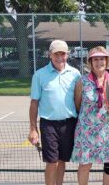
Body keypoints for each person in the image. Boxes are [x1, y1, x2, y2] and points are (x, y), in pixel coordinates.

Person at [28, 40, 81, 185]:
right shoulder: (39, 75)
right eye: (56, 54)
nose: (59, 57)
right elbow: (34, 103)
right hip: (48, 125)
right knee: (52, 162)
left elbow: (79, 101)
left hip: (69, 124)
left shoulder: (75, 74)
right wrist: (33, 129)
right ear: (49, 55)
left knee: (62, 161)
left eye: (62, 54)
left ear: (67, 55)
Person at [71, 46, 109, 185]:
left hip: (107, 130)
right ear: (90, 62)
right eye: (95, 59)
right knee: (85, 165)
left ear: (107, 61)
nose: (99, 62)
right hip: (87, 130)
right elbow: (78, 104)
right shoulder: (82, 81)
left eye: (102, 59)